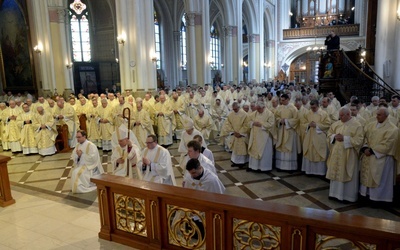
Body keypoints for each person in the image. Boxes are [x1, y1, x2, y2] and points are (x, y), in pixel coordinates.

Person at [359, 107, 398, 203]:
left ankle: (379, 199)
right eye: (377, 114)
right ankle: (366, 195)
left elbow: (388, 144)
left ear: (386, 116)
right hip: (369, 155)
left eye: (379, 115)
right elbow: (364, 138)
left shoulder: (392, 129)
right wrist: (364, 148)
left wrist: (372, 151)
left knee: (380, 179)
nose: (376, 116)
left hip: (382, 158)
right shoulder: (371, 125)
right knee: (367, 177)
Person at [326, 107, 364, 202]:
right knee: (336, 171)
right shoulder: (336, 124)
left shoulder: (357, 125)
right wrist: (334, 137)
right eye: (340, 115)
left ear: (348, 114)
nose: (340, 117)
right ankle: (334, 194)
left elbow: (359, 140)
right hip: (336, 153)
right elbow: (329, 134)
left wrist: (345, 138)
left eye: (342, 115)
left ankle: (348, 197)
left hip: (348, 154)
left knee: (346, 171)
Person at [301, 100, 331, 175]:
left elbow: (328, 124)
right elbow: (302, 123)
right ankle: (309, 171)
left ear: (318, 105)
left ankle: (319, 172)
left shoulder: (323, 114)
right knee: (309, 150)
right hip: (309, 136)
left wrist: (317, 125)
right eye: (311, 107)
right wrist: (308, 125)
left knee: (319, 151)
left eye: (314, 107)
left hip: (319, 136)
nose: (312, 109)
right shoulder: (308, 113)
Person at [247, 101, 275, 172]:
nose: (258, 110)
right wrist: (253, 123)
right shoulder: (255, 113)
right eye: (257, 108)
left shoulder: (269, 114)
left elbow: (271, 124)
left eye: (259, 109)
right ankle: (253, 167)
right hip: (255, 135)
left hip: (265, 137)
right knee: (254, 150)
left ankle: (264, 168)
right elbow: (248, 121)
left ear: (263, 107)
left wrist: (261, 125)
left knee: (264, 152)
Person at [220, 102, 250, 167]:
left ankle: (242, 162)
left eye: (236, 109)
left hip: (241, 135)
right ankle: (235, 161)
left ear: (239, 107)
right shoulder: (231, 114)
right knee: (235, 149)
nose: (234, 110)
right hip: (235, 134)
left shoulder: (244, 114)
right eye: (233, 109)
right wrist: (233, 132)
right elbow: (228, 123)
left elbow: (246, 124)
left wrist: (240, 133)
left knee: (241, 148)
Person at [275, 94, 299, 171]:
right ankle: (280, 166)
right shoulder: (279, 108)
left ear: (288, 99)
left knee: (289, 147)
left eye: (283, 100)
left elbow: (296, 120)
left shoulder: (293, 108)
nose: (282, 102)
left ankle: (290, 167)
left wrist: (286, 121)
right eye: (281, 100)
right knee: (281, 146)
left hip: (289, 131)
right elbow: (276, 117)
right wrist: (279, 120)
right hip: (281, 130)